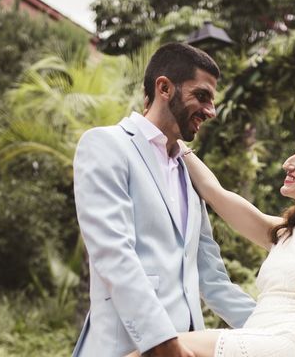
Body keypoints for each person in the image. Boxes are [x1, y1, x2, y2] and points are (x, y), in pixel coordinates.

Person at [127, 127, 295, 357]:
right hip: (255, 338)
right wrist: (174, 140)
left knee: (158, 349)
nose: (288, 163)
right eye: (294, 154)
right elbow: (215, 193)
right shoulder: (282, 232)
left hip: (287, 346)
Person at [71, 43, 256, 357]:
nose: (211, 111)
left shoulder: (188, 171)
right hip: (127, 348)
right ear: (164, 88)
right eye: (202, 96)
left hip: (187, 348)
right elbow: (114, 255)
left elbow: (212, 278)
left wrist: (277, 330)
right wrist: (163, 342)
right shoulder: (105, 145)